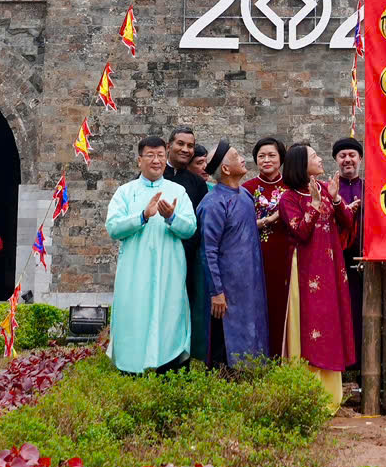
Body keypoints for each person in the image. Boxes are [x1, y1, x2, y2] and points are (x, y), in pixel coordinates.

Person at [105, 136, 196, 374]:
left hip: (169, 272)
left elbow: (191, 229)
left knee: (169, 318)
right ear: (139, 161)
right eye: (150, 156)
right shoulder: (125, 192)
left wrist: (172, 218)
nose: (156, 161)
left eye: (160, 156)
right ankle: (131, 371)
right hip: (135, 273)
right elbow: (113, 227)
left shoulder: (178, 191)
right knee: (134, 318)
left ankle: (168, 368)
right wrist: (142, 216)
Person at [279, 140, 357, 408]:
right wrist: (313, 205)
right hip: (306, 270)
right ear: (302, 165)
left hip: (332, 269)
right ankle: (308, 397)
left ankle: (331, 397)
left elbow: (348, 222)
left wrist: (335, 199)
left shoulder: (326, 188)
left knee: (331, 325)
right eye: (315, 156)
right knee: (309, 327)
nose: (321, 160)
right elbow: (299, 231)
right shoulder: (287, 198)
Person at [196, 141, 268, 365]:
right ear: (225, 169)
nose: (243, 159)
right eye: (237, 156)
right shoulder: (213, 203)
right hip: (227, 291)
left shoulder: (245, 195)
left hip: (251, 285)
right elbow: (208, 251)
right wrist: (216, 292)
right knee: (225, 350)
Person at [165, 128, 214, 360]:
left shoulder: (197, 183)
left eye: (190, 146)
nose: (185, 149)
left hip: (188, 258)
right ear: (169, 145)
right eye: (181, 144)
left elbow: (201, 224)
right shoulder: (151, 178)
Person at [245, 138, 294, 353]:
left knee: (285, 305)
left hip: (287, 254)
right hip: (257, 255)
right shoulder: (246, 189)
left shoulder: (292, 186)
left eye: (271, 155)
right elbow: (241, 227)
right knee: (259, 306)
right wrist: (268, 220)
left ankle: (285, 354)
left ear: (281, 158)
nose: (266, 160)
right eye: (261, 156)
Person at [332, 136, 366, 356]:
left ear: (360, 159)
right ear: (336, 159)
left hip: (366, 260)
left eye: (352, 155)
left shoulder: (370, 188)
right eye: (342, 156)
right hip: (339, 261)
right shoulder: (329, 189)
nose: (347, 160)